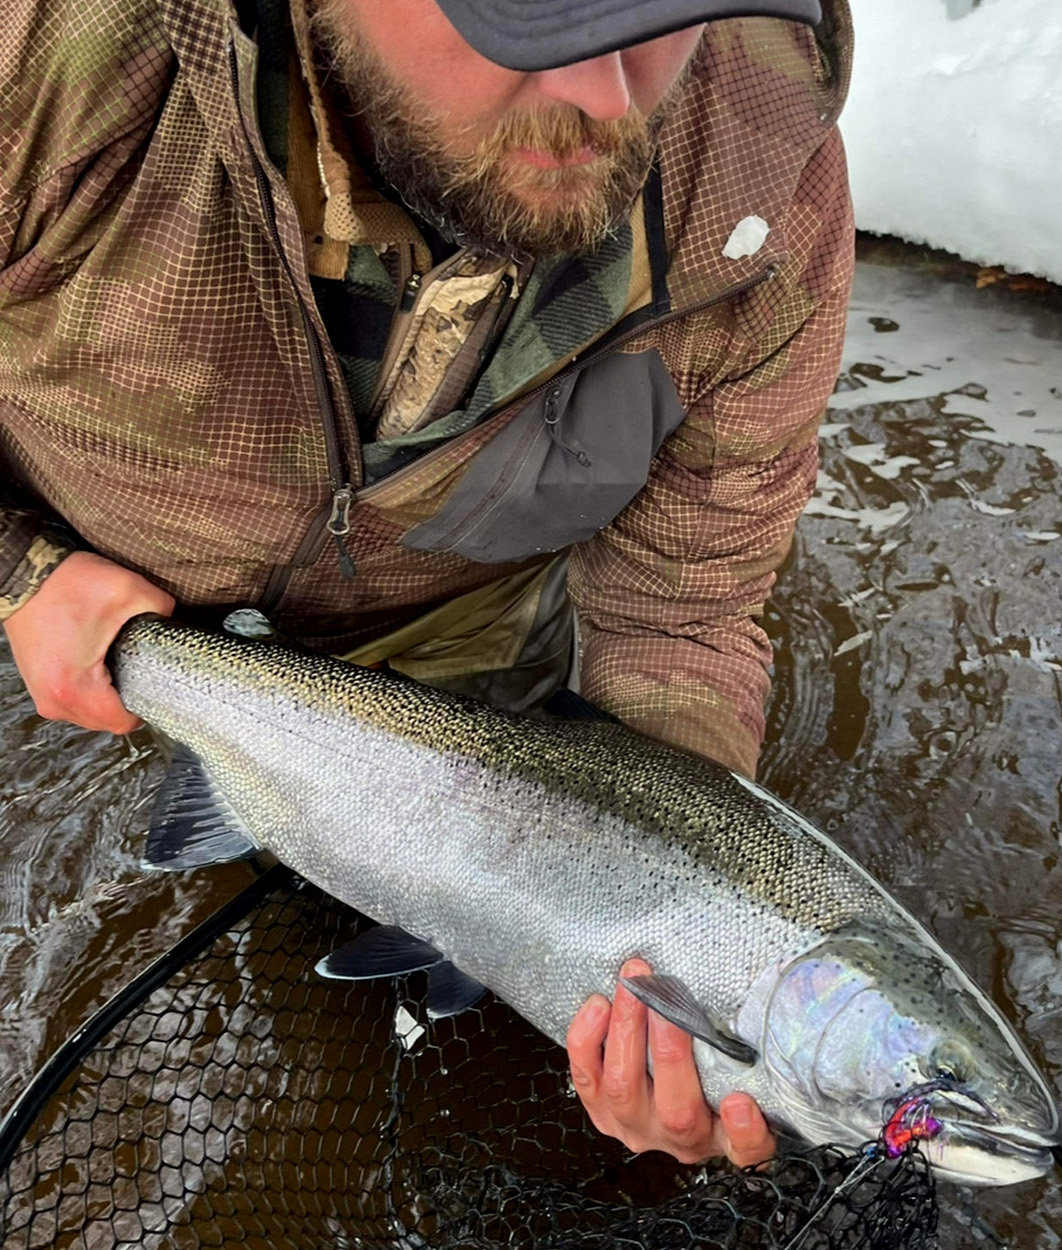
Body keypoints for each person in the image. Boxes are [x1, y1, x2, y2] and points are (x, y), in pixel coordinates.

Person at [0, 0, 854, 1166]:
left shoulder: (764, 176)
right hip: (90, 600)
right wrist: (21, 568)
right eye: (536, 8)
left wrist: (664, 897)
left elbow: (682, 605)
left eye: (674, 4)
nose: (612, 98)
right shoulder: (49, 57)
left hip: (471, 627)